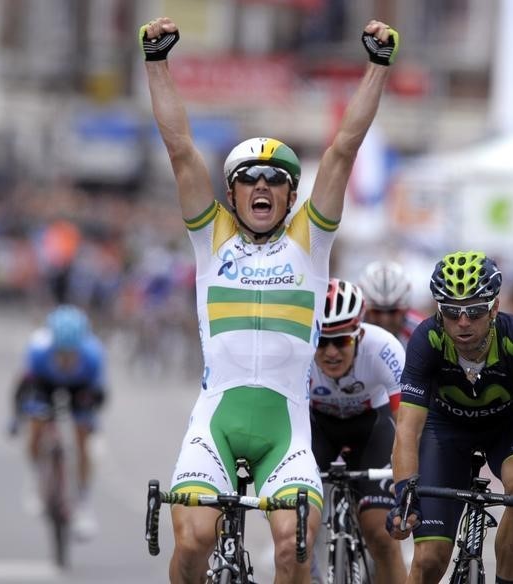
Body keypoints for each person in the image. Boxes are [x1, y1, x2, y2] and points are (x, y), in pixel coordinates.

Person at [139, 15, 399, 583]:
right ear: (231, 193)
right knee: (193, 542)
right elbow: (180, 148)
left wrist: (377, 67)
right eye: (250, 178)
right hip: (217, 422)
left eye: (276, 179)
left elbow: (342, 150)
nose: (263, 186)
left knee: (294, 547)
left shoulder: (310, 240)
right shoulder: (212, 237)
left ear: (290, 195)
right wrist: (157, 63)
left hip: (287, 429)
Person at [387, 251, 513, 584]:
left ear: (494, 308)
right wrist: (404, 489)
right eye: (451, 311)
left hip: (509, 424)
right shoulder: (426, 339)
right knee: (429, 561)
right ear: (439, 310)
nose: (463, 322)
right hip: (445, 428)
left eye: (474, 311)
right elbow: (407, 428)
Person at [310, 278, 407, 583]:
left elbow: (406, 424)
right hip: (315, 428)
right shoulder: (297, 354)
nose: (331, 353)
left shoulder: (383, 348)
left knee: (382, 534)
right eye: (321, 342)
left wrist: (410, 479)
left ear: (359, 334)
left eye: (341, 341)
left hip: (370, 428)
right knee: (297, 530)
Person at [10, 304, 107, 540]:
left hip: (80, 388)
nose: (65, 359)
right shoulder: (38, 351)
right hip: (44, 384)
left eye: (71, 354)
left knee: (83, 439)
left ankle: (82, 502)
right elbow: (22, 389)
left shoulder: (93, 355)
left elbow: (100, 395)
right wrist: (15, 418)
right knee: (35, 426)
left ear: (80, 348)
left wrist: (90, 419)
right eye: (60, 353)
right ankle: (36, 479)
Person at [358, 259, 425, 345]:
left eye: (393, 311)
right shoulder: (351, 330)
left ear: (405, 310)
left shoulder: (422, 332)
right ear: (364, 310)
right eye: (376, 311)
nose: (385, 319)